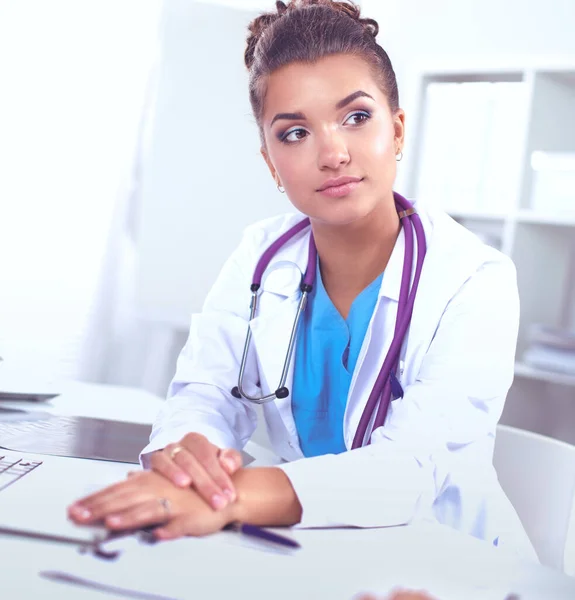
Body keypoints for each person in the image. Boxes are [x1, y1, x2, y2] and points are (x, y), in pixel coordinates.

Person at [68, 0, 535, 560]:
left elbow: (412, 467)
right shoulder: (260, 256)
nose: (334, 153)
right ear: (270, 162)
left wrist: (229, 497)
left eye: (357, 118)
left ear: (398, 130)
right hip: (313, 548)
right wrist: (190, 456)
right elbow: (206, 393)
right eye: (294, 134)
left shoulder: (475, 279)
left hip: (449, 560)